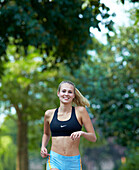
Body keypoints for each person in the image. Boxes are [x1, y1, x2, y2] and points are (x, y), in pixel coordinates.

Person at [41, 80, 97, 170]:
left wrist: (82, 133)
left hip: (73, 162)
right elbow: (46, 134)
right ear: (58, 93)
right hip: (55, 160)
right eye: (63, 91)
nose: (66, 94)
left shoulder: (81, 112)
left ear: (74, 95)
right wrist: (43, 146)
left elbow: (93, 137)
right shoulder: (49, 114)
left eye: (70, 92)